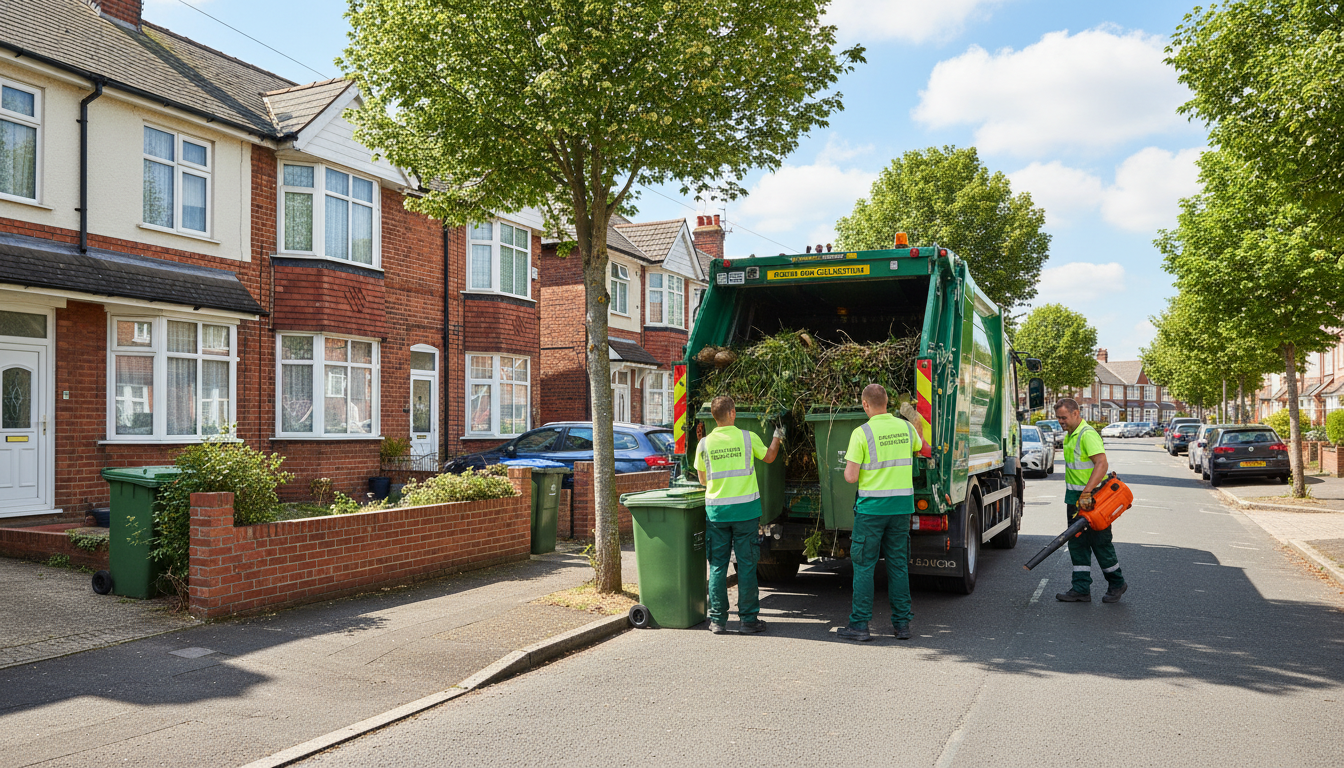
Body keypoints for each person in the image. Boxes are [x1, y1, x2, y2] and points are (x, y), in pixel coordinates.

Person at [837, 384, 924, 642]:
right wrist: (914, 416)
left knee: (864, 566)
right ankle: (902, 625)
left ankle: (860, 625)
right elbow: (919, 445)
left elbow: (851, 477)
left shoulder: (861, 433)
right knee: (898, 565)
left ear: (865, 405)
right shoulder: (906, 427)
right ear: (886, 403)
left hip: (872, 511)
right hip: (901, 508)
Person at [694, 395, 783, 634]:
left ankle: (718, 622)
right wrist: (778, 436)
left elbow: (703, 479)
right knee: (746, 565)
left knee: (717, 566)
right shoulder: (747, 437)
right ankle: (748, 620)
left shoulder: (704, 444)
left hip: (717, 513)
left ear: (714, 417)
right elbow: (770, 457)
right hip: (745, 512)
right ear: (732, 413)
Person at [1054, 398, 1128, 603]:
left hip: (1093, 500)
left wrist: (1087, 493)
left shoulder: (1087, 435)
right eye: (1058, 418)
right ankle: (1080, 588)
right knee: (1077, 543)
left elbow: (1101, 464)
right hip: (1076, 500)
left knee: (1100, 543)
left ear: (1076, 413)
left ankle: (1117, 583)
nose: (1061, 421)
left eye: (1064, 417)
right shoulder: (1071, 435)